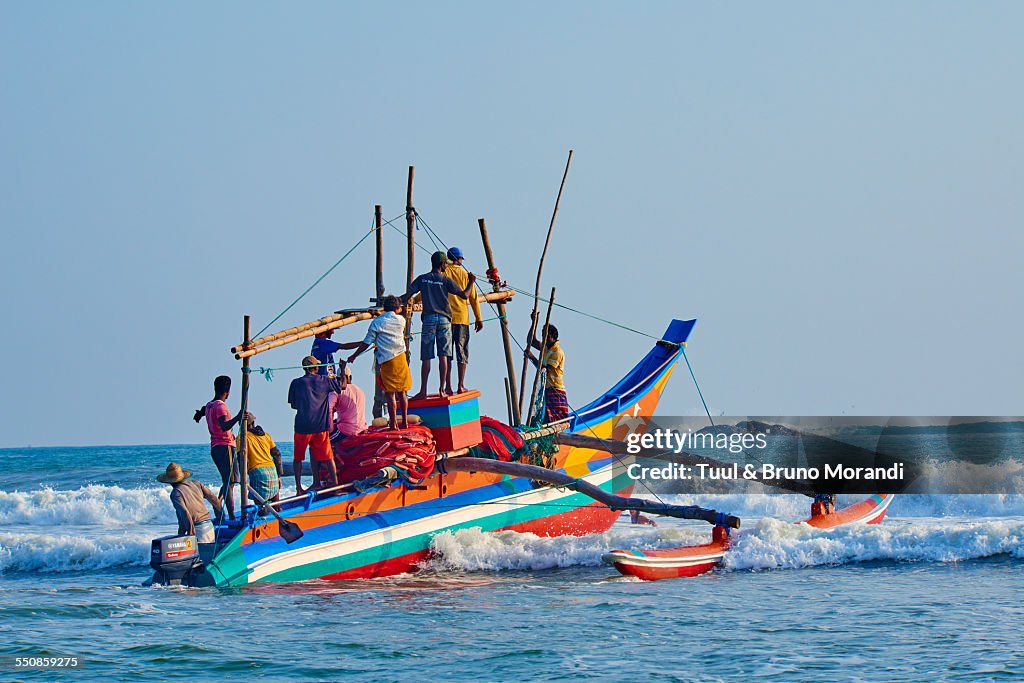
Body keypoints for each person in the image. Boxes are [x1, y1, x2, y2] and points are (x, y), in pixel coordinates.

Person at [402, 251, 475, 399]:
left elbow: (406, 296)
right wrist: (471, 282)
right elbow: (465, 295)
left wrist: (393, 302)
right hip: (444, 320)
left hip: (428, 319)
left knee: (427, 356)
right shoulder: (445, 280)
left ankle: (423, 391)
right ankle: (442, 389)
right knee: (444, 355)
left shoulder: (423, 279)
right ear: (442, 264)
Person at [339, 295, 411, 430]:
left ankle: (394, 424)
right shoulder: (401, 320)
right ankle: (405, 421)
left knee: (390, 394)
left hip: (387, 360)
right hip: (401, 358)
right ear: (397, 308)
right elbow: (393, 315)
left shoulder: (377, 322)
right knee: (402, 392)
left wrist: (354, 355)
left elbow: (366, 342)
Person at [192, 375, 250, 520]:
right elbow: (224, 426)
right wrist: (238, 417)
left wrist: (199, 415)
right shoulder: (220, 406)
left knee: (227, 481)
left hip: (216, 447)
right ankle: (231, 516)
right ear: (228, 391)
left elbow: (203, 410)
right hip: (225, 446)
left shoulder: (210, 405)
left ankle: (218, 507)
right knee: (230, 483)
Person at [288, 356, 342, 493]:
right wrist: (335, 368)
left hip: (302, 426)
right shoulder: (324, 380)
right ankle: (335, 486)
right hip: (320, 426)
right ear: (315, 368)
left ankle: (299, 488)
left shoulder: (296, 383)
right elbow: (340, 385)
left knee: (298, 458)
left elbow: (293, 405)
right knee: (328, 457)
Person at [444, 246, 483, 395]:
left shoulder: (443, 272)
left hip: (446, 318)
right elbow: (473, 299)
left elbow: (428, 290)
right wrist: (478, 318)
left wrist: (414, 300)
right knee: (462, 352)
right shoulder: (466, 275)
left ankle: (447, 386)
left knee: (447, 354)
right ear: (459, 260)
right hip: (461, 318)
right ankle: (460, 385)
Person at [157, 462, 222, 543]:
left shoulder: (176, 493)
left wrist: (190, 535)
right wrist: (220, 517)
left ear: (169, 481)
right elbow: (214, 499)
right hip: (209, 526)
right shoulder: (196, 484)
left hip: (197, 530)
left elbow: (184, 513)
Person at [528, 320, 568, 423]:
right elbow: (531, 341)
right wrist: (534, 322)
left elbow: (545, 369)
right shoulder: (546, 348)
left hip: (555, 390)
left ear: (552, 337)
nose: (544, 338)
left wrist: (532, 357)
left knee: (556, 421)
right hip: (547, 389)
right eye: (542, 335)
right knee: (545, 418)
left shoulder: (557, 352)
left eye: (546, 335)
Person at [243, 414, 282, 504]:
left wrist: (243, 478)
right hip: (272, 471)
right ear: (253, 422)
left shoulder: (242, 438)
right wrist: (279, 475)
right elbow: (277, 454)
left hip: (258, 472)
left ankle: (263, 516)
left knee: (261, 507)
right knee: (276, 503)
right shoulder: (266, 435)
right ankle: (279, 511)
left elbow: (241, 459)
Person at [328, 363, 367, 440]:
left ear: (337, 379)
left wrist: (331, 428)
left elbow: (329, 409)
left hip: (346, 431)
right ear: (350, 377)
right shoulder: (360, 391)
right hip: (362, 428)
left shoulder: (337, 391)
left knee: (321, 443)